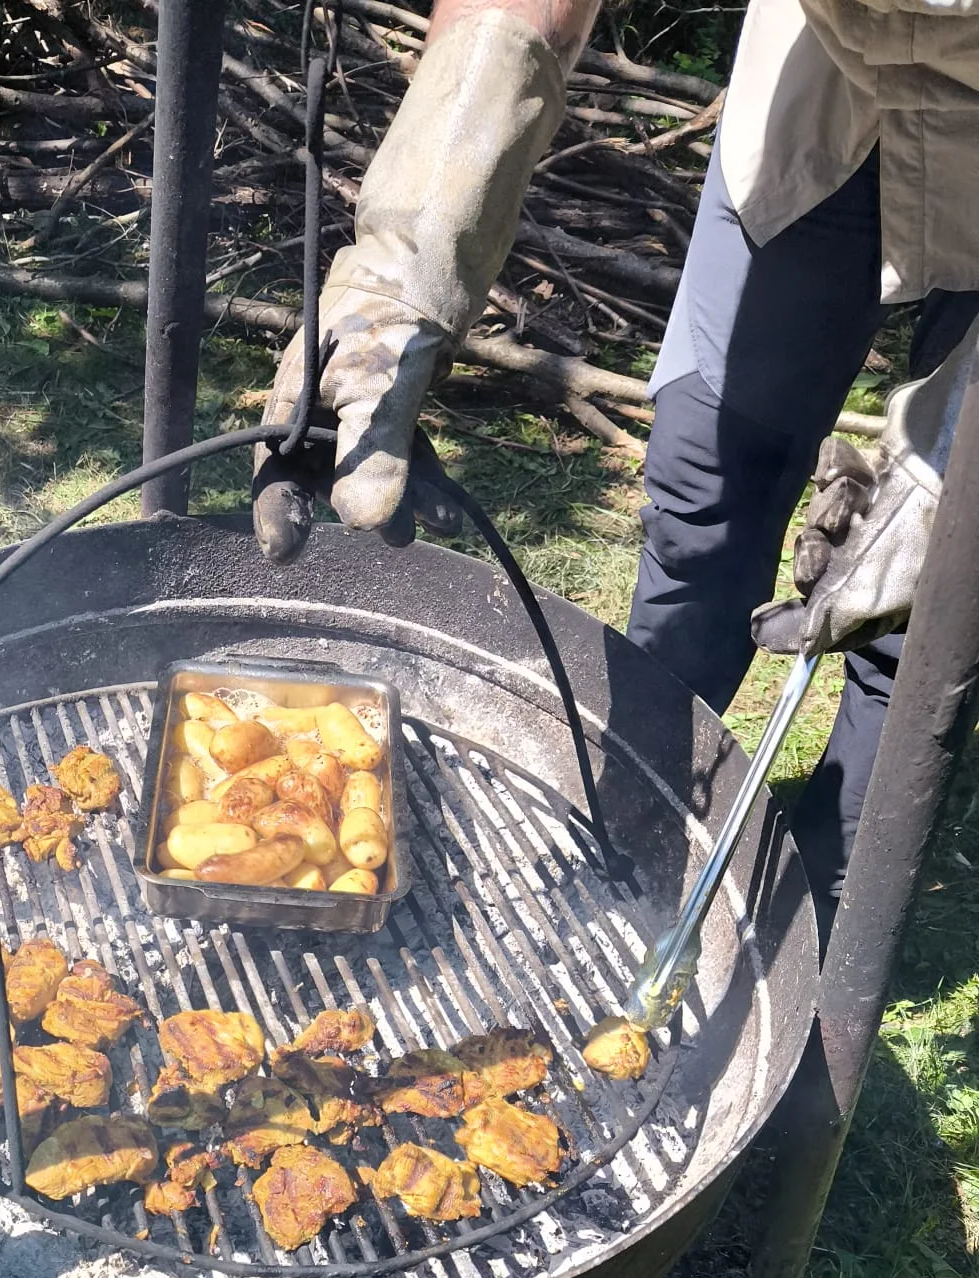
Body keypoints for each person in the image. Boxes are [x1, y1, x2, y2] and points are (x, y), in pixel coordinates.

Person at [251, 0, 979, 930]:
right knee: (706, 474)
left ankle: (835, 887)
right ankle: (634, 808)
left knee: (933, 577)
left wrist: (946, 460)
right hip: (825, 98)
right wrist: (398, 282)